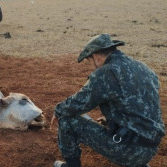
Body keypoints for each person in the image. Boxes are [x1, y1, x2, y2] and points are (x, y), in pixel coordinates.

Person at [52, 34, 165, 167]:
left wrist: (58, 110)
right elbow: (142, 103)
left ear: (96, 57)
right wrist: (113, 119)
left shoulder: (106, 73)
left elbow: (78, 103)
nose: (92, 67)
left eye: (89, 62)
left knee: (67, 120)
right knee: (133, 142)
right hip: (151, 148)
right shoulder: (143, 68)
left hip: (129, 150)